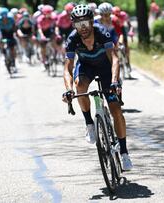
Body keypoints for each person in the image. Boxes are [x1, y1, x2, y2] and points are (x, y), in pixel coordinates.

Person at [62, 4, 133, 171]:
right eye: (79, 24)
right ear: (74, 25)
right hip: (86, 67)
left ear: (92, 21)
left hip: (106, 68)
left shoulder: (102, 32)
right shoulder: (72, 39)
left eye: (86, 23)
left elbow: (114, 59)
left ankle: (124, 153)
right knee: (80, 86)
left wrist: (115, 82)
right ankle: (89, 124)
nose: (83, 28)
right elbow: (68, 68)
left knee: (116, 110)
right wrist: (68, 90)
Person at [0, 7, 18, 72]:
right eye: (3, 15)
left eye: (5, 15)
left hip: (10, 33)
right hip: (3, 34)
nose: (4, 16)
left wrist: (15, 34)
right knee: (1, 42)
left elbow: (14, 27)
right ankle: (3, 54)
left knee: (13, 48)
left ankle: (14, 62)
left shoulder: (11, 19)